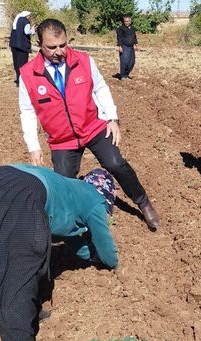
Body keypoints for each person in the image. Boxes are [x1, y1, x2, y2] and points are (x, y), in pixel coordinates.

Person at [0, 165, 119, 341]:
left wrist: (89, 256)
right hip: (18, 193)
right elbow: (105, 246)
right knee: (18, 274)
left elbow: (72, 238)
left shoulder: (71, 191)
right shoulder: (95, 200)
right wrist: (112, 263)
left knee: (7, 258)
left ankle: (29, 311)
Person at [18, 18, 161, 229]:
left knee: (115, 163)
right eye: (52, 47)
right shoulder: (28, 74)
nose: (59, 51)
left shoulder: (84, 61)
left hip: (92, 127)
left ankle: (144, 202)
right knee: (63, 186)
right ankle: (75, 223)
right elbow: (27, 112)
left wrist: (112, 118)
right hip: (62, 139)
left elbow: (101, 88)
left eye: (63, 45)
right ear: (39, 44)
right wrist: (33, 147)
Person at [9, 11, 33, 85]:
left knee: (16, 63)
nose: (30, 17)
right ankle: (22, 81)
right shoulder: (25, 21)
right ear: (27, 16)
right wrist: (33, 30)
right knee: (23, 64)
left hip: (14, 45)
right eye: (29, 16)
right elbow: (26, 32)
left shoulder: (16, 21)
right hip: (22, 46)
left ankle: (18, 80)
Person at [115, 15, 138, 80]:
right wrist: (119, 46)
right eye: (125, 21)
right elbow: (119, 37)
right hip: (124, 47)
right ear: (123, 21)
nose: (126, 22)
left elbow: (134, 37)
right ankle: (122, 75)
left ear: (130, 21)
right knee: (124, 62)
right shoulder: (121, 28)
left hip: (131, 47)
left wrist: (135, 44)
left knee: (132, 62)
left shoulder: (132, 28)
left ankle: (126, 74)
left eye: (128, 21)